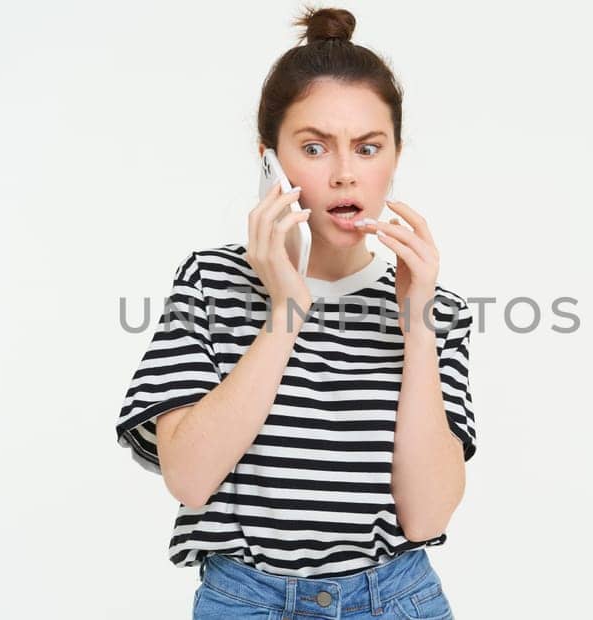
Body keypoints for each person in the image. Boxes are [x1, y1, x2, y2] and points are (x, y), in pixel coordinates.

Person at [116, 7, 478, 619]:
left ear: (394, 156)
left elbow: (427, 515)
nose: (343, 174)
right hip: (245, 601)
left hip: (394, 600)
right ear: (270, 161)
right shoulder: (211, 281)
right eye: (314, 147)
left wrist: (416, 328)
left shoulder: (435, 307)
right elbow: (189, 478)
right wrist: (286, 308)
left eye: (368, 148)